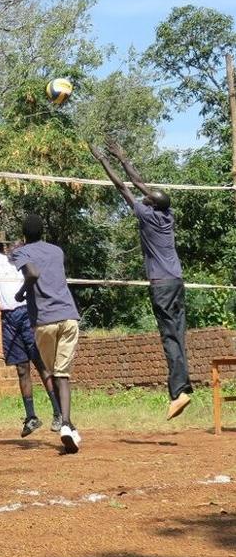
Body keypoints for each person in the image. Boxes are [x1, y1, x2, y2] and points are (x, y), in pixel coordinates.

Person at [90, 141, 194, 420]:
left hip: (161, 285)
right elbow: (139, 183)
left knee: (169, 337)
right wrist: (123, 157)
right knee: (178, 335)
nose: (145, 197)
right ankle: (182, 387)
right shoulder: (167, 214)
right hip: (176, 281)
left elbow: (123, 187)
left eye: (148, 198)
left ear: (151, 204)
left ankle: (179, 393)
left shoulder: (146, 215)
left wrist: (103, 160)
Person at [0, 202, 62, 437]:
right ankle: (31, 417)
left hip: (26, 314)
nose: (15, 247)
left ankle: (58, 413)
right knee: (21, 368)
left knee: (41, 364)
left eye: (20, 244)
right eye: (12, 244)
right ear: (7, 248)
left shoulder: (26, 263)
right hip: (8, 319)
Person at [11, 214, 83, 454]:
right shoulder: (57, 251)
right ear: (42, 232)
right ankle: (68, 425)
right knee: (63, 375)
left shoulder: (21, 252)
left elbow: (32, 274)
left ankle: (66, 424)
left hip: (45, 320)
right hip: (69, 316)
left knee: (54, 373)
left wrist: (22, 292)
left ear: (24, 235)